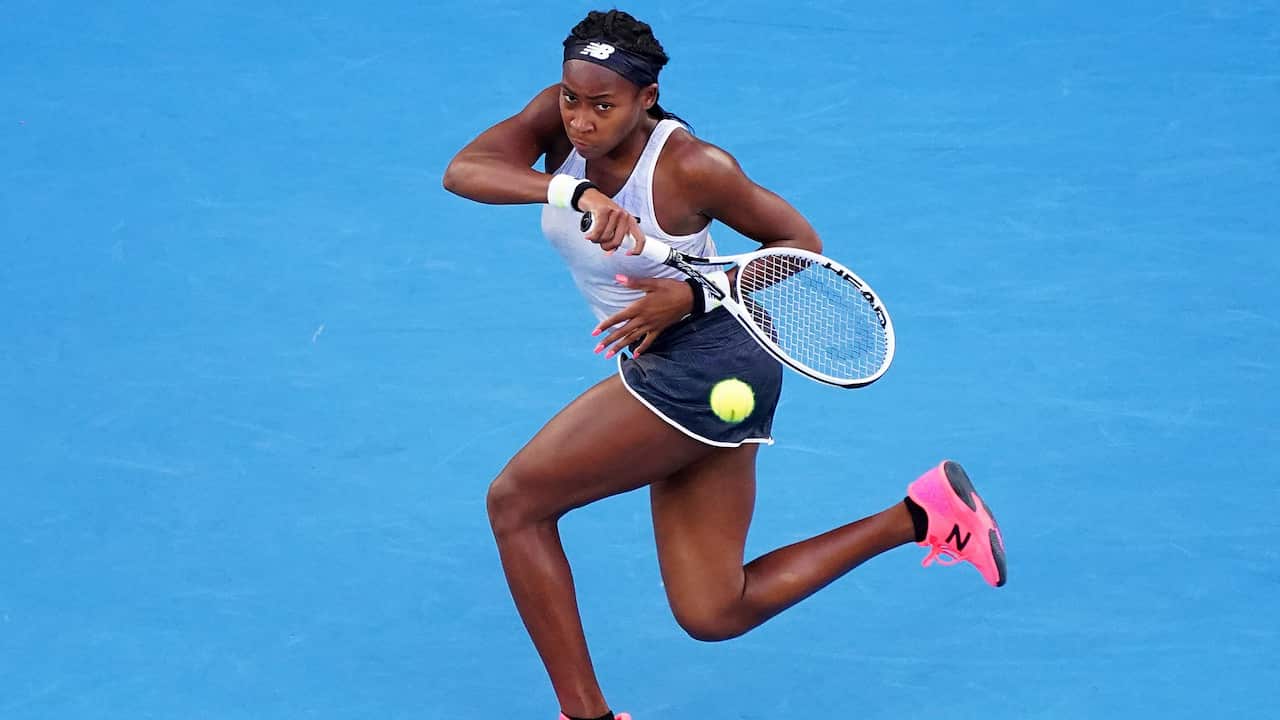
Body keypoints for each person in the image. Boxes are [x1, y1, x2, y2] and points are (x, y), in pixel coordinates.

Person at [442, 10, 1006, 720]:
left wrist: (685, 295)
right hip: (700, 368)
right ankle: (923, 515)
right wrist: (574, 189)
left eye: (603, 105)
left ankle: (586, 717)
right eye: (570, 99)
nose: (581, 120)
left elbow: (800, 244)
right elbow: (464, 172)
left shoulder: (691, 167)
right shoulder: (561, 127)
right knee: (714, 610)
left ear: (647, 98)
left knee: (516, 504)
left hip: (711, 360)